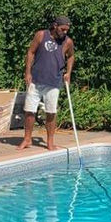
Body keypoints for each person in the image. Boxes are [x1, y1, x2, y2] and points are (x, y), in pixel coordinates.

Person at [17, 16, 75, 151]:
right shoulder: (41, 35)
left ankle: (50, 142)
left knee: (51, 112)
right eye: (63, 29)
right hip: (36, 80)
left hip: (54, 82)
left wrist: (68, 72)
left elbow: (71, 56)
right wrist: (27, 72)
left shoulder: (68, 42)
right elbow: (31, 52)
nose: (65, 32)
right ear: (55, 26)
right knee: (29, 111)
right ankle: (27, 139)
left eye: (67, 30)